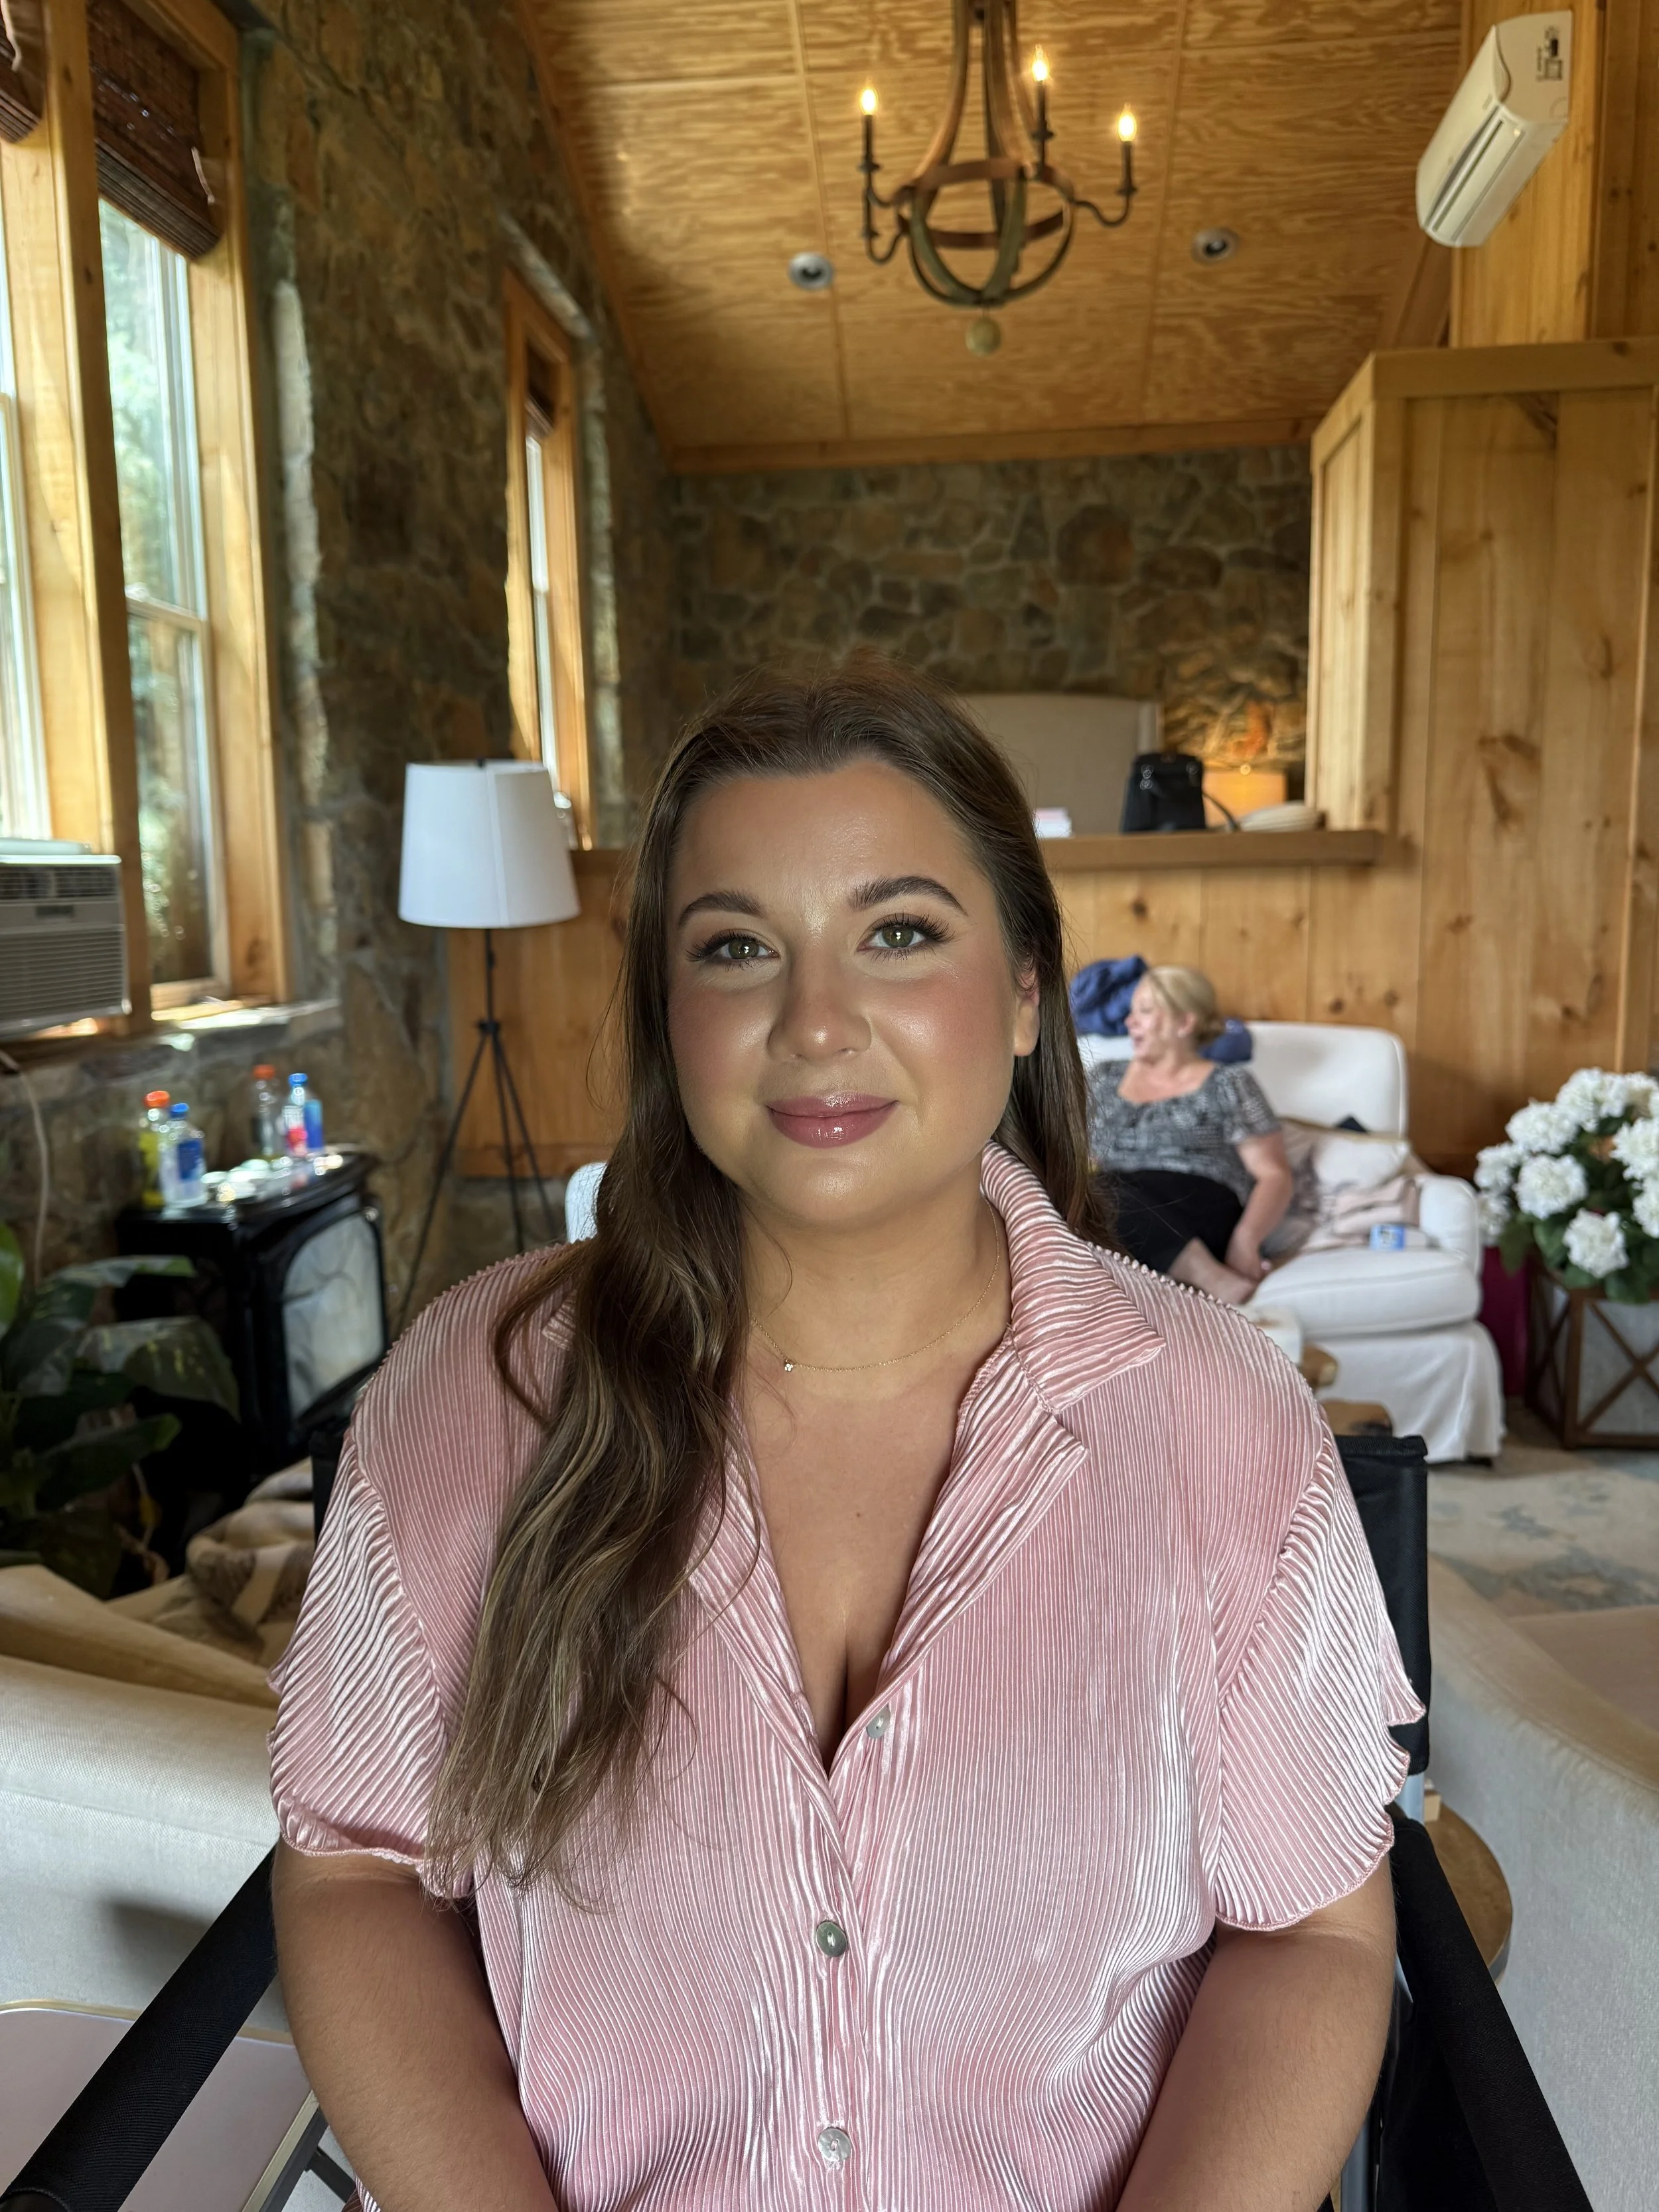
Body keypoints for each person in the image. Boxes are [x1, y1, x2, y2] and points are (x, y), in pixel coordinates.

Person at [271, 660, 1417, 2212]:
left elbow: (1312, 1931)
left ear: (1023, 990)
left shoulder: (1219, 1421)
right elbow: (353, 1872)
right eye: (738, 946)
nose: (816, 1024)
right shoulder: (470, 1396)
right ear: (673, 1015)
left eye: (898, 934)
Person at [1087, 966, 1294, 1304]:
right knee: (1086, 1196)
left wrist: (1246, 1240)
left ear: (1185, 1023)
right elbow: (1079, 1157)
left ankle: (1210, 1277)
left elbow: (1274, 1175)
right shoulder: (1102, 1079)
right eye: (1132, 1011)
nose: (1130, 1022)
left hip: (1200, 1205)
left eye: (1146, 1011)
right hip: (1115, 1210)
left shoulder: (1229, 1083)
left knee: (1102, 1194)